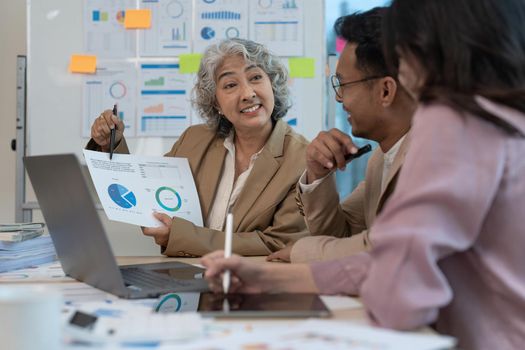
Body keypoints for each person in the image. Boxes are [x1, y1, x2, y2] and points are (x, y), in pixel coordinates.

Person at [202, 0, 525, 348]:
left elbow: (397, 289)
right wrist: (269, 278)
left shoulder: (453, 122)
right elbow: (384, 255)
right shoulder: (498, 118)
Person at [88, 38, 310, 257]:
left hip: (252, 286)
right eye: (231, 85)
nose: (248, 93)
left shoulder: (301, 158)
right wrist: (111, 144)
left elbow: (278, 244)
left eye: (256, 78)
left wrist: (181, 236)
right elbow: (145, 199)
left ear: (272, 83)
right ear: (216, 103)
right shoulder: (193, 140)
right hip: (187, 281)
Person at [266, 7, 415, 263]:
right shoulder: (381, 159)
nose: (338, 97)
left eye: (342, 84)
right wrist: (317, 176)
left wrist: (301, 252)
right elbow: (341, 238)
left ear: (386, 91)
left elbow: (393, 251)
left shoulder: (433, 156)